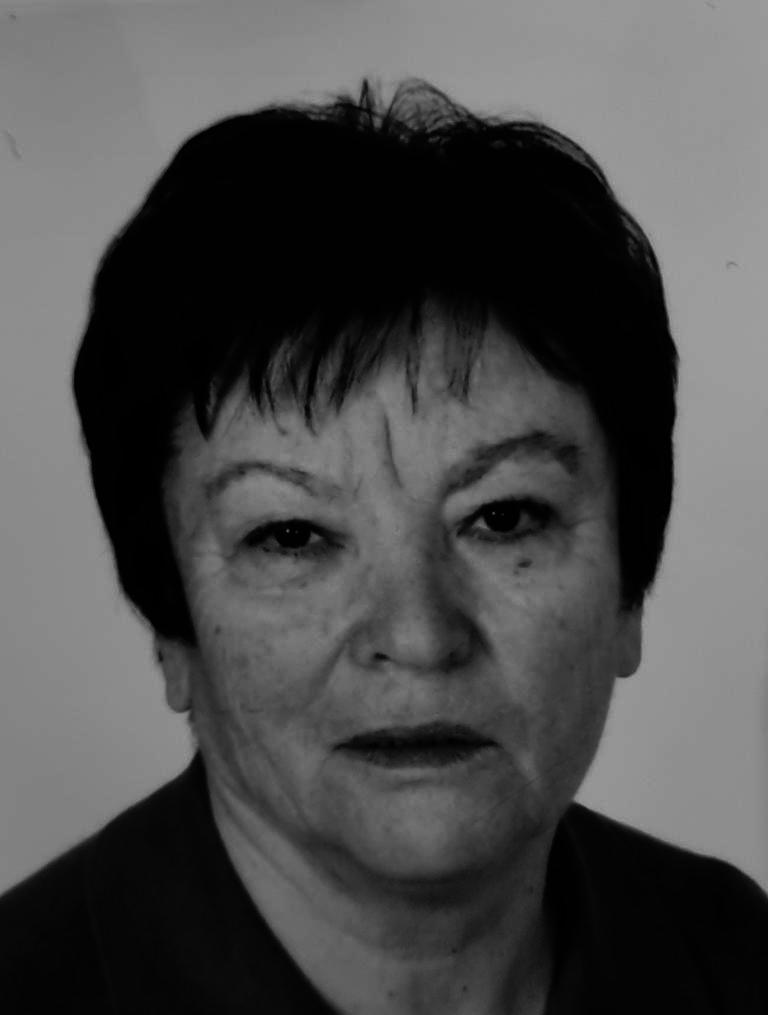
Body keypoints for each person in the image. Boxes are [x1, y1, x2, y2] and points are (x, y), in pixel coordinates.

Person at [1, 77, 765, 1015]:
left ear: (628, 595)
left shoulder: (737, 957)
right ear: (172, 630)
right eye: (291, 535)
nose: (418, 635)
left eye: (504, 517)